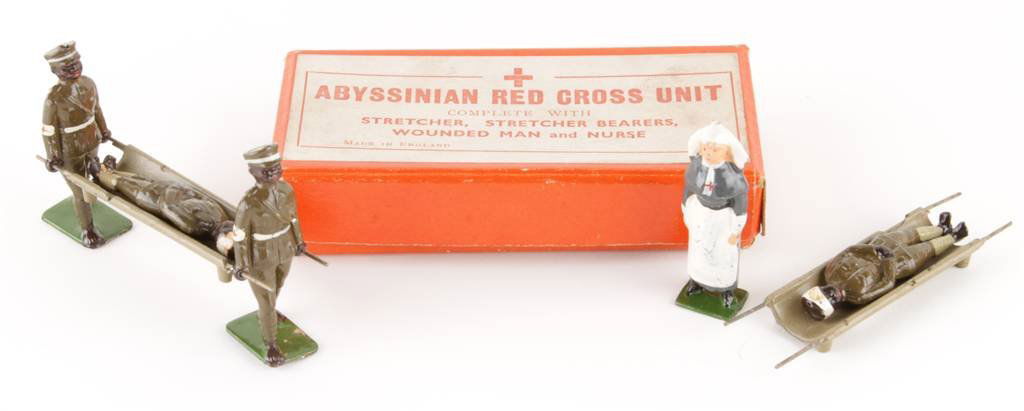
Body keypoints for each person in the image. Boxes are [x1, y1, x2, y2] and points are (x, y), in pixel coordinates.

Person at [801, 212, 968, 320]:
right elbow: (887, 284)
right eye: (831, 299)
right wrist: (888, 261)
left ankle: (940, 228)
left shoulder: (830, 272)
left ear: (821, 288)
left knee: (912, 234)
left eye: (825, 292)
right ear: (835, 305)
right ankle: (954, 236)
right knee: (926, 249)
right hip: (900, 262)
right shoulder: (858, 297)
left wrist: (873, 250)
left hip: (881, 244)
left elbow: (850, 250)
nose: (832, 293)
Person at [231, 144, 306, 367]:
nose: (273, 172)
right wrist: (241, 264)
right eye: (266, 170)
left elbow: (293, 217)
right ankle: (271, 343)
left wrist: (299, 241)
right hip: (260, 257)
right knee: (266, 298)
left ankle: (269, 314)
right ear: (252, 172)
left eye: (276, 167)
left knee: (278, 285)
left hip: (285, 248)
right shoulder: (249, 203)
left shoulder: (286, 190)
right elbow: (240, 236)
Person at [41, 41, 112, 248]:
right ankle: (88, 229)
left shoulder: (89, 83)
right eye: (66, 67)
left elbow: (97, 109)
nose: (74, 68)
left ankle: (93, 202)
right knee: (80, 190)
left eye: (76, 62)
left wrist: (104, 129)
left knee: (96, 175)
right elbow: (49, 130)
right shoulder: (53, 98)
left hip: (92, 139)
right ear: (55, 70)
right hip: (69, 150)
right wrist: (52, 156)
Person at [92, 156, 236, 255]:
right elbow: (199, 195)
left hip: (151, 198)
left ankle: (99, 173)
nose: (233, 231)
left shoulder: (195, 226)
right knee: (137, 178)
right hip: (167, 189)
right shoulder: (220, 215)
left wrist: (174, 190)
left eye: (231, 236)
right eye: (234, 233)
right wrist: (179, 189)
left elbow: (168, 207)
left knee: (122, 183)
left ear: (222, 240)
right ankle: (110, 170)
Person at [680, 122, 750, 308]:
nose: (709, 153)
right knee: (698, 250)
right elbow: (688, 190)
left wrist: (735, 230)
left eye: (715, 150)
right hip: (701, 216)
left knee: (723, 255)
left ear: (726, 153)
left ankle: (726, 289)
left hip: (723, 220)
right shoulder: (696, 167)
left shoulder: (733, 178)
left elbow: (740, 206)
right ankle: (697, 281)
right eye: (705, 149)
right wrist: (686, 211)